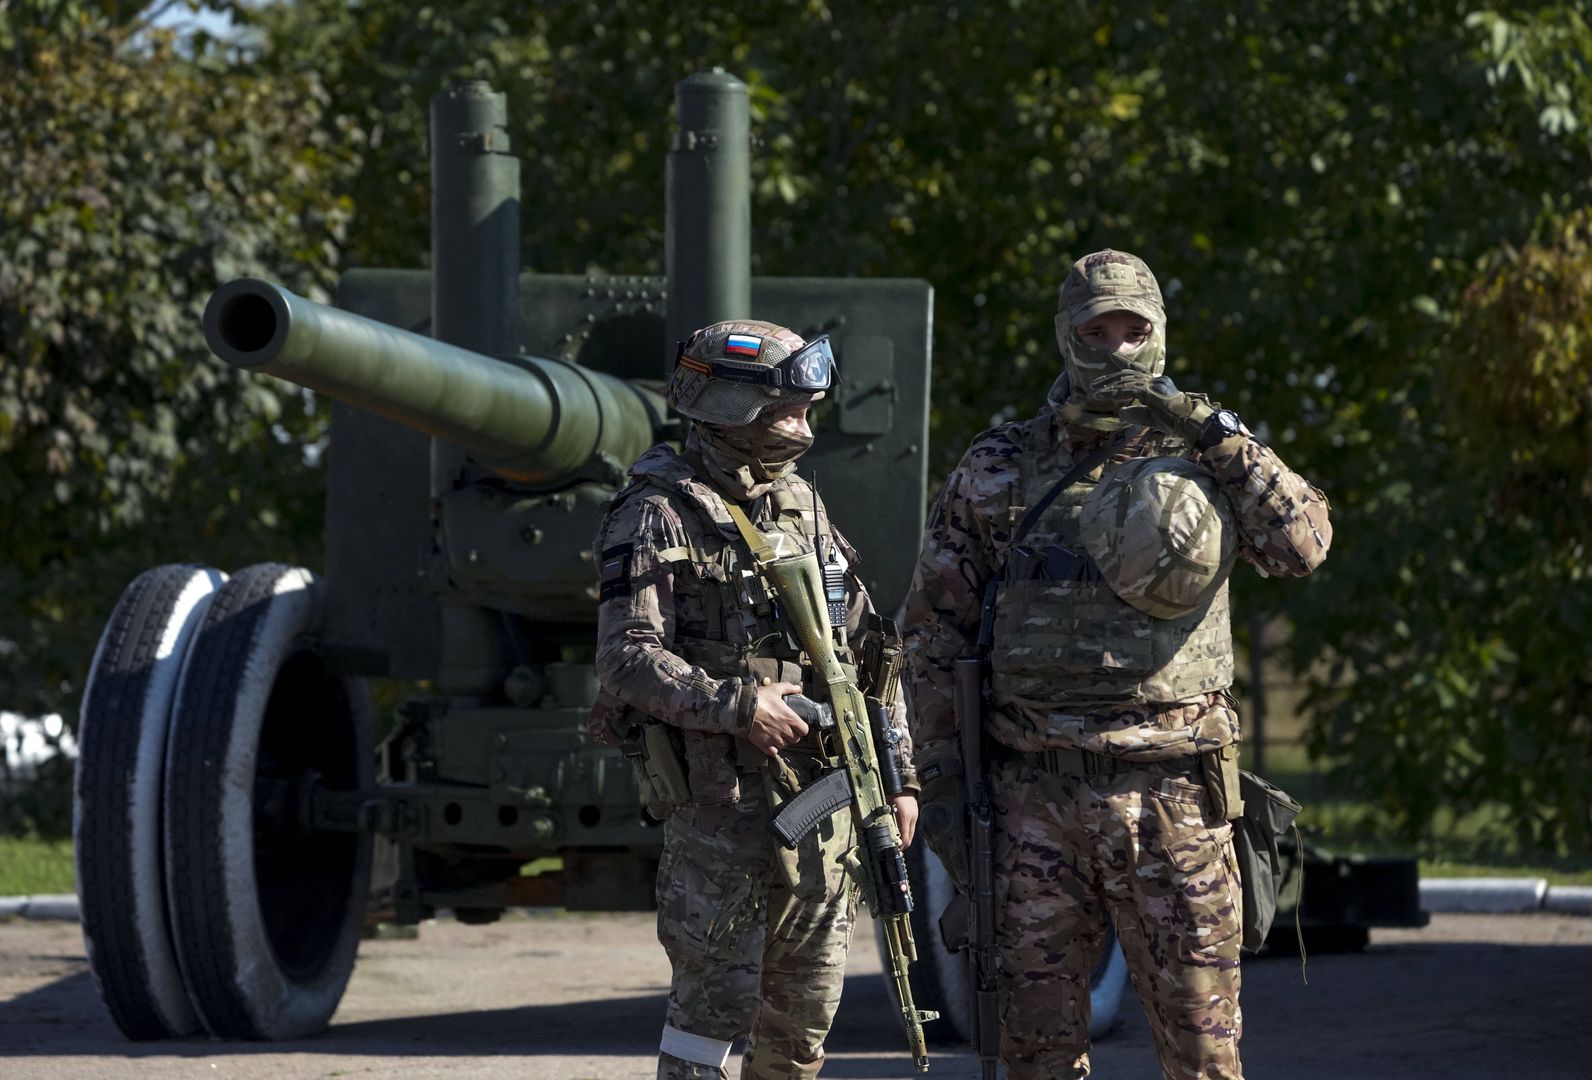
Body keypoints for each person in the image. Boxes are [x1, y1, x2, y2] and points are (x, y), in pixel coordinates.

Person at [903, 249, 1332, 1079]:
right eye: (1096, 332)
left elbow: (1302, 546)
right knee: (1034, 1053)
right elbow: (932, 634)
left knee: (1202, 1053)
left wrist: (1216, 434)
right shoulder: (999, 466)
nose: (1117, 351)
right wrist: (944, 781)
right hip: (1033, 799)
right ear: (1067, 338)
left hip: (1173, 794)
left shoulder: (1207, 453)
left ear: (1159, 335)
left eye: (1134, 331)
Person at [591, 319, 920, 1080]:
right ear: (733, 405)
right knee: (709, 1028)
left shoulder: (802, 506)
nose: (806, 423)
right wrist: (740, 705)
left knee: (800, 1034)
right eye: (789, 408)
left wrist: (897, 778)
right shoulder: (656, 512)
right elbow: (626, 658)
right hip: (720, 822)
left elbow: (870, 656)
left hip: (821, 817)